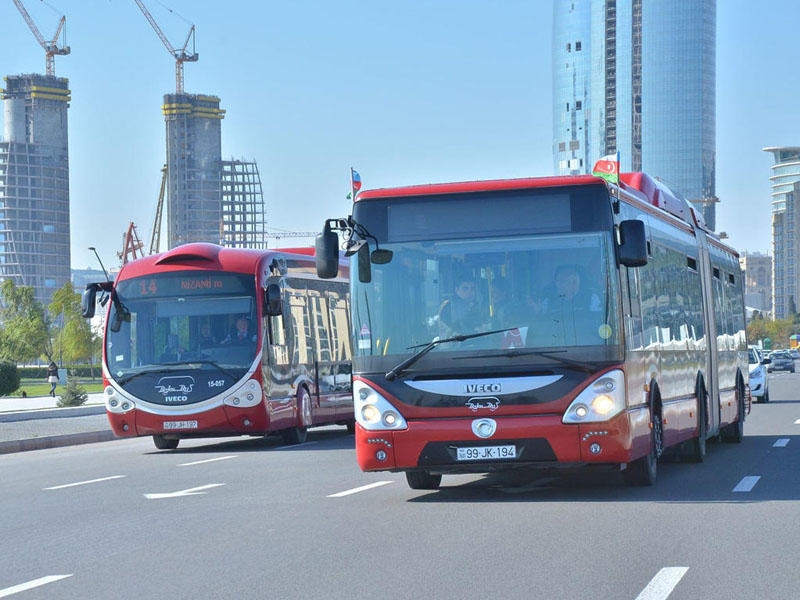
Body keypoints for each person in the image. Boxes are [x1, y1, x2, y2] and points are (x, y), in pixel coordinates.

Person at [437, 273, 488, 337]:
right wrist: (474, 331)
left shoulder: (476, 306)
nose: (469, 292)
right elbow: (447, 331)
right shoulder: (448, 307)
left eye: (472, 288)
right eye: (465, 288)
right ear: (457, 290)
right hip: (454, 345)